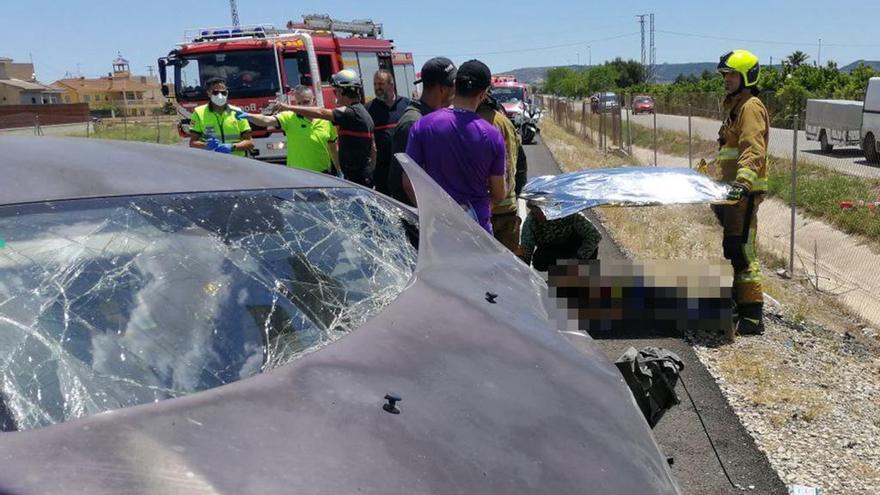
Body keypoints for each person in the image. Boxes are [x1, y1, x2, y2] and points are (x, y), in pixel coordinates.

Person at [404, 59, 506, 233]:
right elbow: (498, 193)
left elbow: (408, 182)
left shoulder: (422, 125)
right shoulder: (493, 135)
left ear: (455, 86)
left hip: (439, 228)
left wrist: (430, 212)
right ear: (482, 94)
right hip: (477, 229)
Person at [713, 49, 770, 336]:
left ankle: (752, 317)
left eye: (732, 74)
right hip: (731, 193)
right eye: (725, 75)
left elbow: (752, 149)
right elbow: (729, 151)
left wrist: (743, 184)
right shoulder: (736, 107)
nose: (727, 79)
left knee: (743, 252)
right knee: (732, 248)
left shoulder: (751, 107)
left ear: (747, 76)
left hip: (743, 194)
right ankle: (738, 302)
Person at [268, 69, 375, 187]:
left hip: (357, 178)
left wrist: (287, 107)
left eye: (335, 91)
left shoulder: (352, 113)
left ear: (342, 91)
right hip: (362, 176)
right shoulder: (362, 112)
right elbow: (374, 149)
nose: (336, 96)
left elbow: (321, 112)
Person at [389, 57, 457, 205]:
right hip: (418, 218)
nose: (456, 91)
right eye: (454, 85)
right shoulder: (413, 123)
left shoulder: (430, 118)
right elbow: (407, 183)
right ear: (442, 89)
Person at [234, 86, 339, 173]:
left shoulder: (326, 120)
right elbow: (266, 120)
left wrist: (339, 171)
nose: (302, 107)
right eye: (299, 103)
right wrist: (249, 116)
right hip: (297, 174)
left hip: (323, 174)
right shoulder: (289, 117)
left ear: (314, 100)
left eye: (306, 102)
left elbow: (333, 149)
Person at [476, 94, 522, 252]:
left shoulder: (469, 122)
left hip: (478, 210)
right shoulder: (505, 122)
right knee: (508, 267)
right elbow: (519, 162)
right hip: (507, 208)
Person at [519, 201, 602, 272]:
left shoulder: (569, 212)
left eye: (543, 211)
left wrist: (578, 259)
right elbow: (526, 251)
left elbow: (595, 235)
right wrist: (523, 275)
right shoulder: (531, 222)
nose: (541, 215)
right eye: (536, 212)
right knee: (539, 261)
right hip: (553, 250)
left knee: (591, 246)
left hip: (575, 247)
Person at [367, 70, 410, 194]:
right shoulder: (369, 109)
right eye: (375, 84)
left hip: (404, 168)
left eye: (381, 84)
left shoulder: (406, 105)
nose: (377, 88)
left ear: (392, 85)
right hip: (382, 170)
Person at [188, 77, 254, 157]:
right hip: (211, 161)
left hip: (236, 162)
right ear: (208, 93)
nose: (220, 95)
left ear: (227, 93)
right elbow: (192, 143)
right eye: (215, 92)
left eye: (223, 93)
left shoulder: (237, 112)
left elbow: (250, 142)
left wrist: (233, 147)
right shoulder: (198, 113)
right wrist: (205, 145)